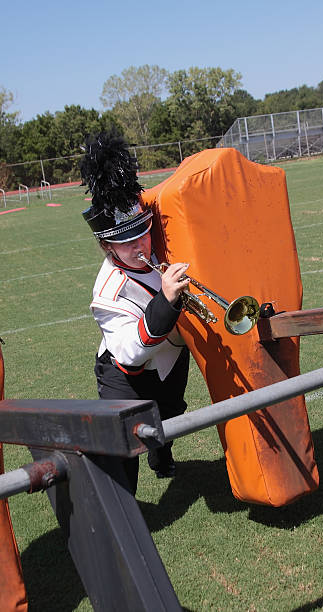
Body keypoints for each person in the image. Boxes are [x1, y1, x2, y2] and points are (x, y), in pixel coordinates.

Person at [80, 132, 190, 493]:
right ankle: (126, 508)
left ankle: (161, 455)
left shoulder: (158, 247)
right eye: (124, 242)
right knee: (122, 444)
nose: (139, 245)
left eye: (142, 233)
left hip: (171, 359)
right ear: (106, 245)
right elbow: (130, 351)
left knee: (171, 415)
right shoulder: (106, 293)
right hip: (124, 375)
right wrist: (168, 301)